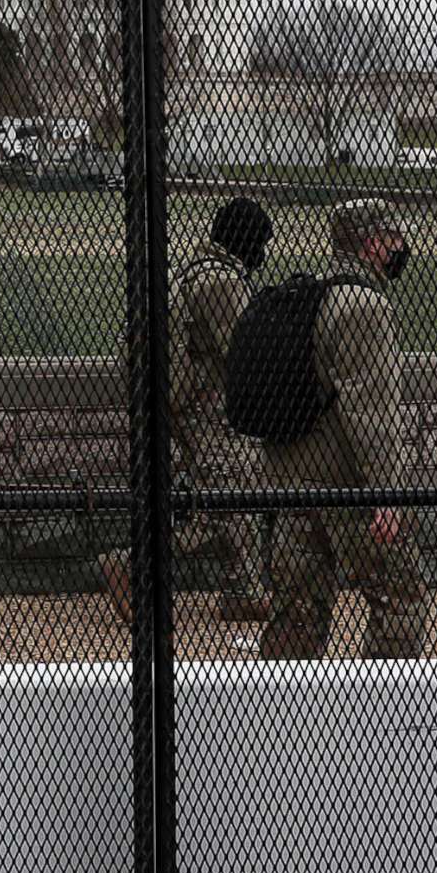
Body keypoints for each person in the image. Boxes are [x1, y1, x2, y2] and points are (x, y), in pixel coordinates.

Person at [259, 198, 425, 660]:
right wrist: (387, 493)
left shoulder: (311, 294)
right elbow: (372, 411)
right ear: (372, 245)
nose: (402, 247)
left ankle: (280, 716)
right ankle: (390, 713)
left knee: (295, 612)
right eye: (395, 238)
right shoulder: (364, 305)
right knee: (400, 596)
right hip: (344, 484)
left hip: (290, 478)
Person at [101, 197, 274, 627]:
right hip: (207, 410)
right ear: (245, 239)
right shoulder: (221, 283)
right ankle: (130, 563)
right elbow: (243, 349)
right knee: (225, 499)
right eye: (261, 242)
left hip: (194, 406)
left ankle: (244, 590)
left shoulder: (198, 271)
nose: (264, 253)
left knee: (236, 494)